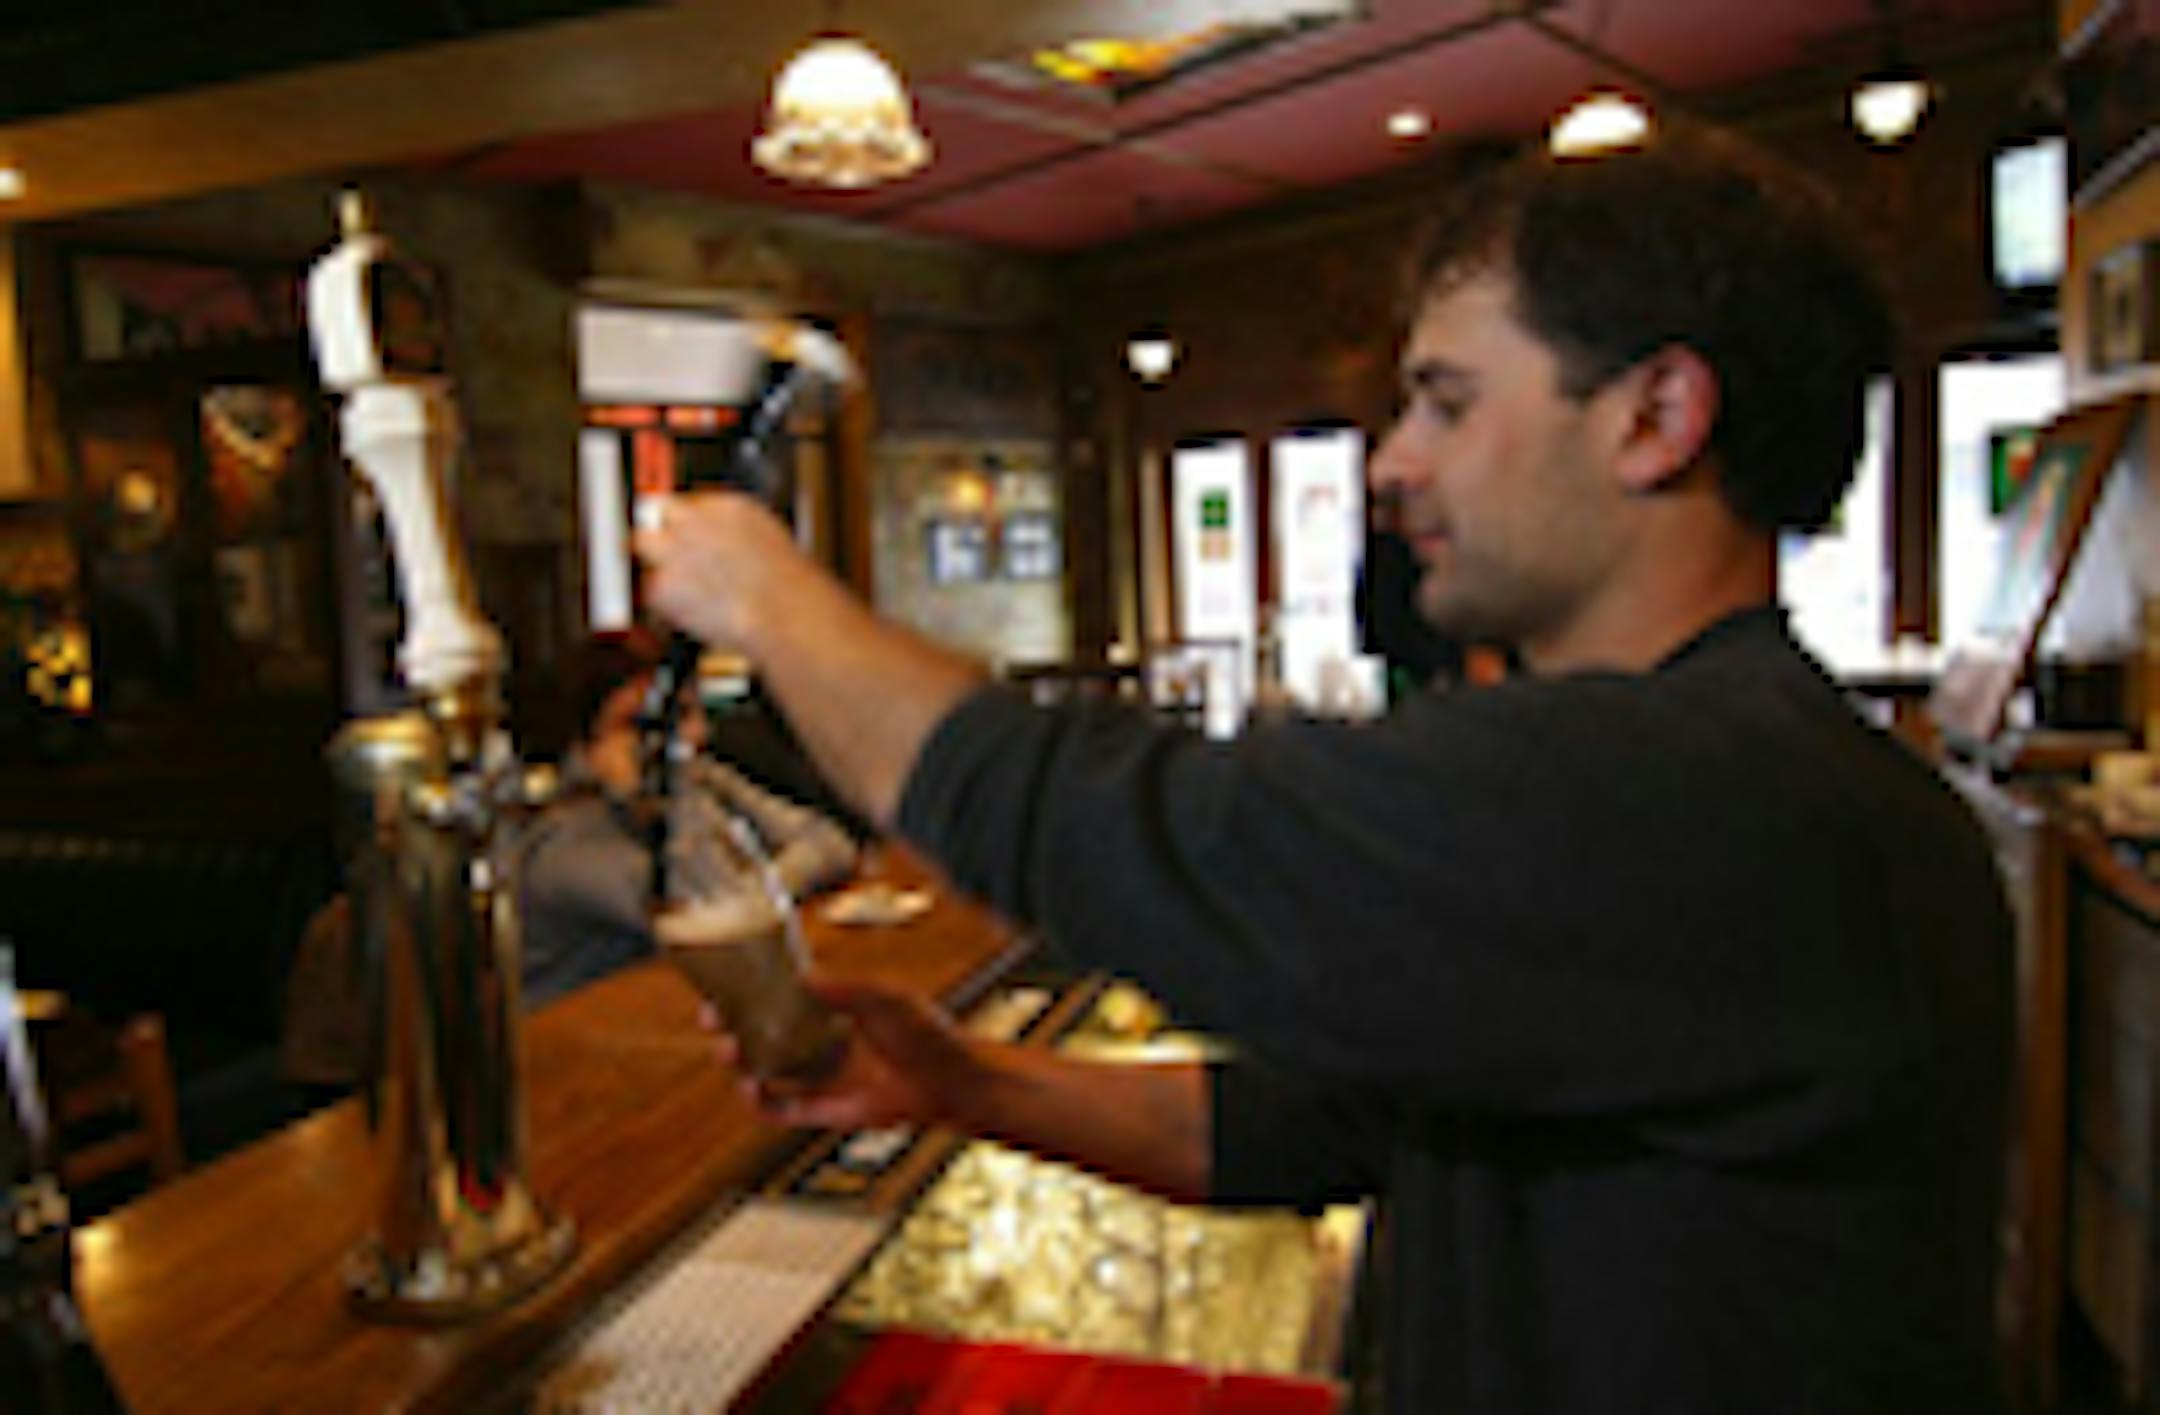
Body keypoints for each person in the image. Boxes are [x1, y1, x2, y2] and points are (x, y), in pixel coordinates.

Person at [638, 127, 2012, 1414]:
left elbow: (1121, 821)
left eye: (1445, 403)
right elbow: (1331, 1124)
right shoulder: (1713, 774)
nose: (1389, 466)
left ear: (1655, 414)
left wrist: (763, 590)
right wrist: (966, 1081)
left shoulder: (1709, 789)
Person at [517, 630, 859, 1006]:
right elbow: (714, 912)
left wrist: (769, 886)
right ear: (586, 746)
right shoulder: (565, 840)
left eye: (689, 711)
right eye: (644, 724)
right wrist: (677, 791)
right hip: (576, 1046)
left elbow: (829, 840)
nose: (696, 734)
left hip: (662, 1015)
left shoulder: (694, 776)